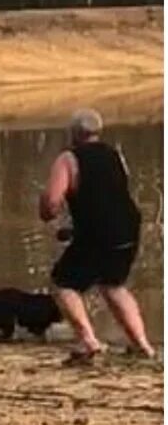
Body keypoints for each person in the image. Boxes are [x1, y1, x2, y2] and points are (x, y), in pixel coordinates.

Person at [39, 108, 154, 363]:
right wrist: (76, 230)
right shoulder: (115, 155)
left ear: (73, 133)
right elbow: (110, 196)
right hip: (128, 227)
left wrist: (46, 211)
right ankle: (143, 346)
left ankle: (88, 340)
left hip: (99, 231)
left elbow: (51, 203)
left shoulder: (68, 159)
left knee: (63, 283)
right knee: (114, 285)